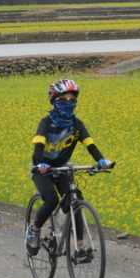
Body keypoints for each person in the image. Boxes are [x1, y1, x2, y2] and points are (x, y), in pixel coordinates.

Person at [25, 79, 112, 258]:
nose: (69, 103)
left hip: (63, 169)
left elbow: (91, 145)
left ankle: (80, 246)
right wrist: (40, 164)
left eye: (72, 100)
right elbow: (38, 147)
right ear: (55, 101)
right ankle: (34, 229)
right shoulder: (46, 122)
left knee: (75, 202)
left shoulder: (77, 124)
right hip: (43, 170)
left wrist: (101, 161)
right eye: (64, 100)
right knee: (51, 200)